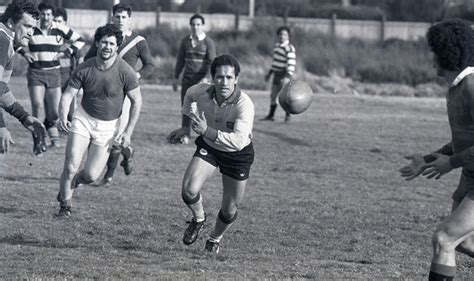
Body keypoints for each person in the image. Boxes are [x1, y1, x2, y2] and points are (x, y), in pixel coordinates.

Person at [399, 18, 474, 281]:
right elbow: (463, 141)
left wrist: (451, 163)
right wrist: (429, 159)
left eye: (434, 49)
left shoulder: (472, 87)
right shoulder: (455, 90)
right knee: (465, 243)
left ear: (445, 52)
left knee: (444, 239)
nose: (431, 56)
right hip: (470, 174)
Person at [168, 54, 255, 254]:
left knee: (229, 209)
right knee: (188, 190)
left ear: (236, 79)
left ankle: (214, 238)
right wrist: (186, 127)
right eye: (219, 77)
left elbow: (239, 141)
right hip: (210, 147)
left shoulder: (244, 104)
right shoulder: (201, 91)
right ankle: (198, 218)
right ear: (212, 77)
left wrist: (206, 131)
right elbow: (189, 95)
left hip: (237, 155)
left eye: (228, 77)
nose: (224, 82)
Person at [56, 23, 142, 217]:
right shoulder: (84, 68)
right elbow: (68, 95)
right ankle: (65, 207)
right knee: (70, 166)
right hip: (83, 119)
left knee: (91, 175)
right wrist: (63, 116)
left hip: (108, 127)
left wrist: (128, 132)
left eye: (112, 43)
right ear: (97, 43)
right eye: (104, 42)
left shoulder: (125, 71)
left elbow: (137, 101)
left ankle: (75, 182)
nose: (107, 47)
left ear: (117, 46)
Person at [85, 3, 155, 187]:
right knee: (98, 134)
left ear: (129, 19)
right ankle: (127, 153)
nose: (120, 20)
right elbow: (87, 59)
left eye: (124, 17)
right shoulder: (104, 38)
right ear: (112, 18)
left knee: (116, 136)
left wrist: (135, 75)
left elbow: (150, 65)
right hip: (101, 93)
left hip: (124, 95)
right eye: (117, 16)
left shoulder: (138, 41)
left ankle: (108, 176)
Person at [19, 2, 84, 154]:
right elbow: (16, 39)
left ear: (53, 16)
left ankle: (47, 131)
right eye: (43, 14)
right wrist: (24, 53)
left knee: (54, 113)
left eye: (48, 14)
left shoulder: (60, 29)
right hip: (36, 72)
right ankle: (38, 141)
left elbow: (80, 41)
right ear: (39, 14)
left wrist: (66, 52)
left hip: (54, 73)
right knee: (37, 106)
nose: (45, 17)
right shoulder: (32, 27)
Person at [0, 0, 46, 154]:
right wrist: (0, 126)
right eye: (27, 26)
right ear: (11, 23)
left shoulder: (5, 38)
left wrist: (24, 117)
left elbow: (1, 89)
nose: (31, 32)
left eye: (33, 28)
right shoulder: (2, 40)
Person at [172, 13, 216, 144]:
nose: (195, 27)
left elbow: (212, 62)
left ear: (202, 26)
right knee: (186, 108)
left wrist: (206, 77)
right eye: (193, 24)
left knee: (203, 108)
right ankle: (185, 134)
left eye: (198, 24)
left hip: (203, 81)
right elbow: (180, 61)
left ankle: (207, 134)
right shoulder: (185, 41)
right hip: (187, 80)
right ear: (190, 26)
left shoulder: (209, 42)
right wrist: (175, 78)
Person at [260, 26, 296, 122]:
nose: (282, 36)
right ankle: (271, 116)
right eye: (280, 34)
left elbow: (291, 64)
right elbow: (275, 62)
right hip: (276, 74)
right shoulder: (276, 46)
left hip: (284, 75)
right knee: (273, 96)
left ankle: (288, 116)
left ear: (288, 36)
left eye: (284, 34)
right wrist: (269, 74)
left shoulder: (289, 48)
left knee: (284, 96)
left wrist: (287, 77)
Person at [53, 7, 82, 123]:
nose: (56, 24)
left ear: (65, 23)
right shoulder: (49, 38)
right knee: (52, 110)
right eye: (54, 21)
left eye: (59, 21)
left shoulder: (72, 41)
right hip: (52, 78)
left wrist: (79, 84)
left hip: (68, 80)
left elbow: (79, 61)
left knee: (70, 112)